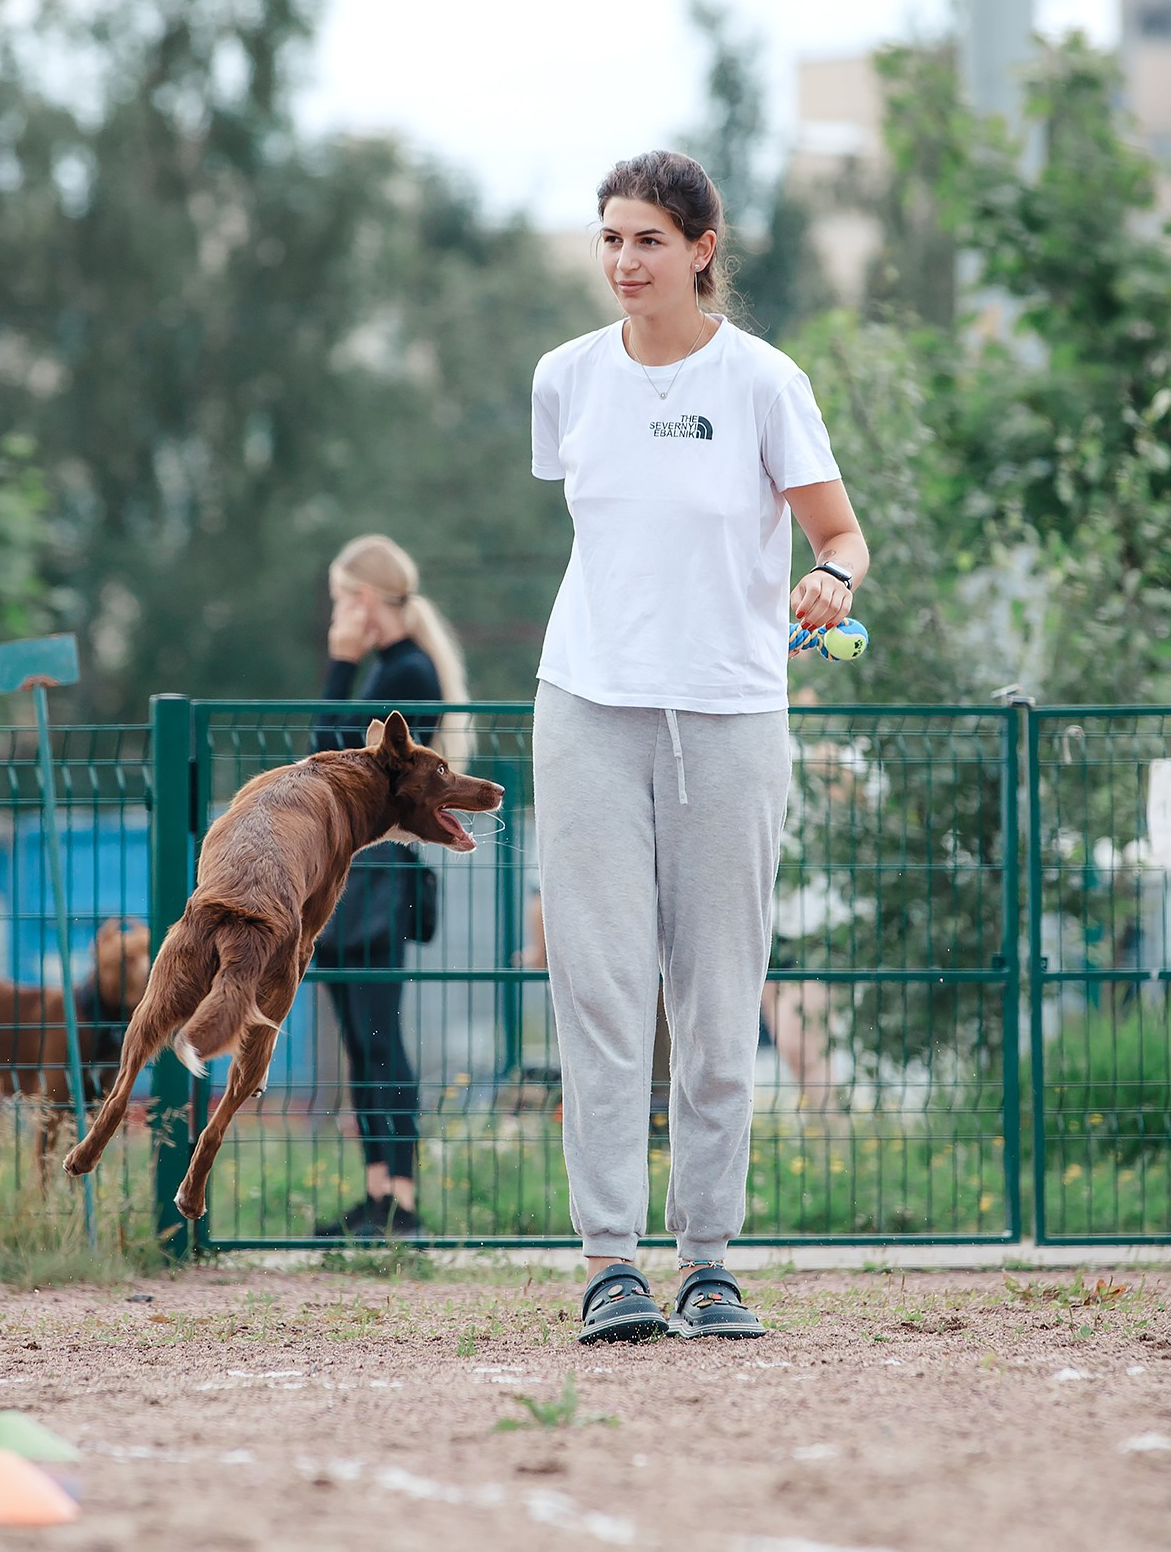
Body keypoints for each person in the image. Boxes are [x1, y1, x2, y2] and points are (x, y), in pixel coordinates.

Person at [532, 151, 867, 1343]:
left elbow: (840, 533)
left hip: (730, 715)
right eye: (610, 239)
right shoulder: (565, 380)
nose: (624, 262)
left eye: (648, 243)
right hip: (584, 708)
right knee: (603, 992)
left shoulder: (766, 382)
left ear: (701, 250)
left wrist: (828, 578)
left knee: (722, 1001)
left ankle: (708, 1260)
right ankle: (608, 1262)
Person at [308, 533, 469, 1240]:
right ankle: (379, 1193)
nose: (338, 614)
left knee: (380, 1037)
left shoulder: (405, 671)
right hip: (357, 876)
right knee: (360, 1037)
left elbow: (335, 754)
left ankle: (400, 1200)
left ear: (365, 599)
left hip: (378, 880)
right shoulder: (393, 668)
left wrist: (338, 664)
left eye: (343, 598)